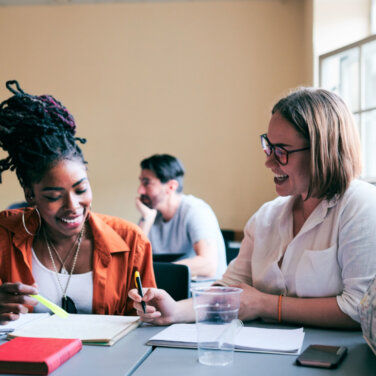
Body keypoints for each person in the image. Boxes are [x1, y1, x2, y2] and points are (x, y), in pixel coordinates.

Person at [129, 87, 376, 329]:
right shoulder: (267, 217)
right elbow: (232, 287)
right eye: (268, 146)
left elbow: (357, 308)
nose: (268, 161)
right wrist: (175, 310)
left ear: (323, 151)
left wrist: (266, 305)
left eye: (281, 151)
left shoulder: (360, 205)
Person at [0, 80, 156, 324]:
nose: (72, 206)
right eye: (53, 196)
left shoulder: (130, 241)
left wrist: (152, 313)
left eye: (81, 189)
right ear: (30, 195)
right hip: (25, 361)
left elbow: (145, 326)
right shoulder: (3, 235)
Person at [136, 154, 227, 279]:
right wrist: (146, 219)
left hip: (202, 294)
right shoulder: (151, 215)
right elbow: (133, 263)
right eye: (141, 182)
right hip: (171, 291)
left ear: (171, 186)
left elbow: (209, 265)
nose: (140, 190)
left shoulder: (195, 210)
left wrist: (160, 271)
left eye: (146, 183)